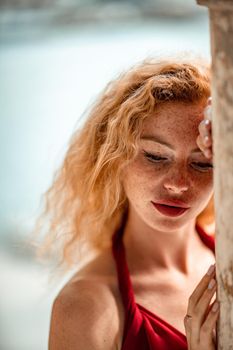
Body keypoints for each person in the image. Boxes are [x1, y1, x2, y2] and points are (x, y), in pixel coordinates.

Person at [40, 56, 219, 349]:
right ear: (114, 158)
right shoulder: (85, 308)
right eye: (155, 157)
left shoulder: (227, 263)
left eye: (201, 164)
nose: (178, 182)